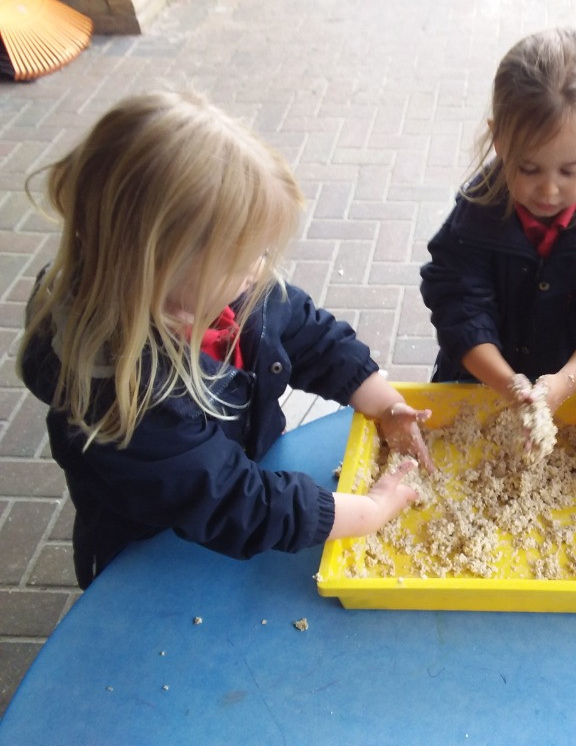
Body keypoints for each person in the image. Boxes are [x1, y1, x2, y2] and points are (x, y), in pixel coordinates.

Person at [17, 91, 434, 588]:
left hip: (227, 475)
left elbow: (303, 329)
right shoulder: (126, 400)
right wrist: (369, 510)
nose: (259, 272)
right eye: (241, 262)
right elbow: (236, 502)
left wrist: (382, 401)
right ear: (162, 268)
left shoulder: (216, 293)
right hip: (149, 553)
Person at [420, 28, 576, 413]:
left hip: (574, 382)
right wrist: (505, 382)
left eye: (569, 170)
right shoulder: (475, 215)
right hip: (478, 379)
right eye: (528, 168)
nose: (548, 190)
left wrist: (564, 383)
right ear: (499, 141)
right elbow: (459, 307)